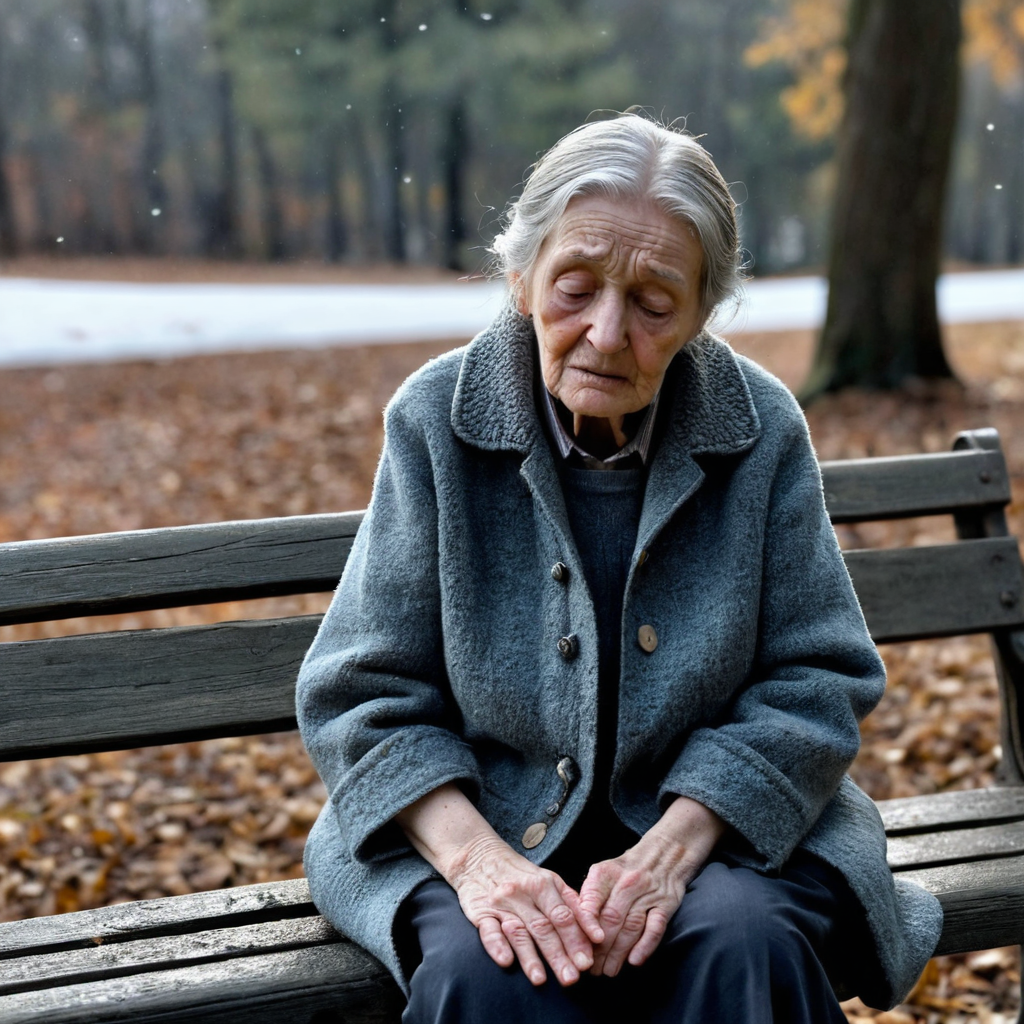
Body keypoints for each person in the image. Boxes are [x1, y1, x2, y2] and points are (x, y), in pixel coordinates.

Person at [296, 114, 942, 1023]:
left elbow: (818, 676)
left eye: (653, 302)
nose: (605, 332)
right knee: (494, 972)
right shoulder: (435, 420)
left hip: (717, 836)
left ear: (703, 312)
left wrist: (680, 843)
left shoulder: (758, 426)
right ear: (520, 278)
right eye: (575, 286)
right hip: (472, 827)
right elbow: (361, 691)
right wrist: (481, 864)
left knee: (743, 942)